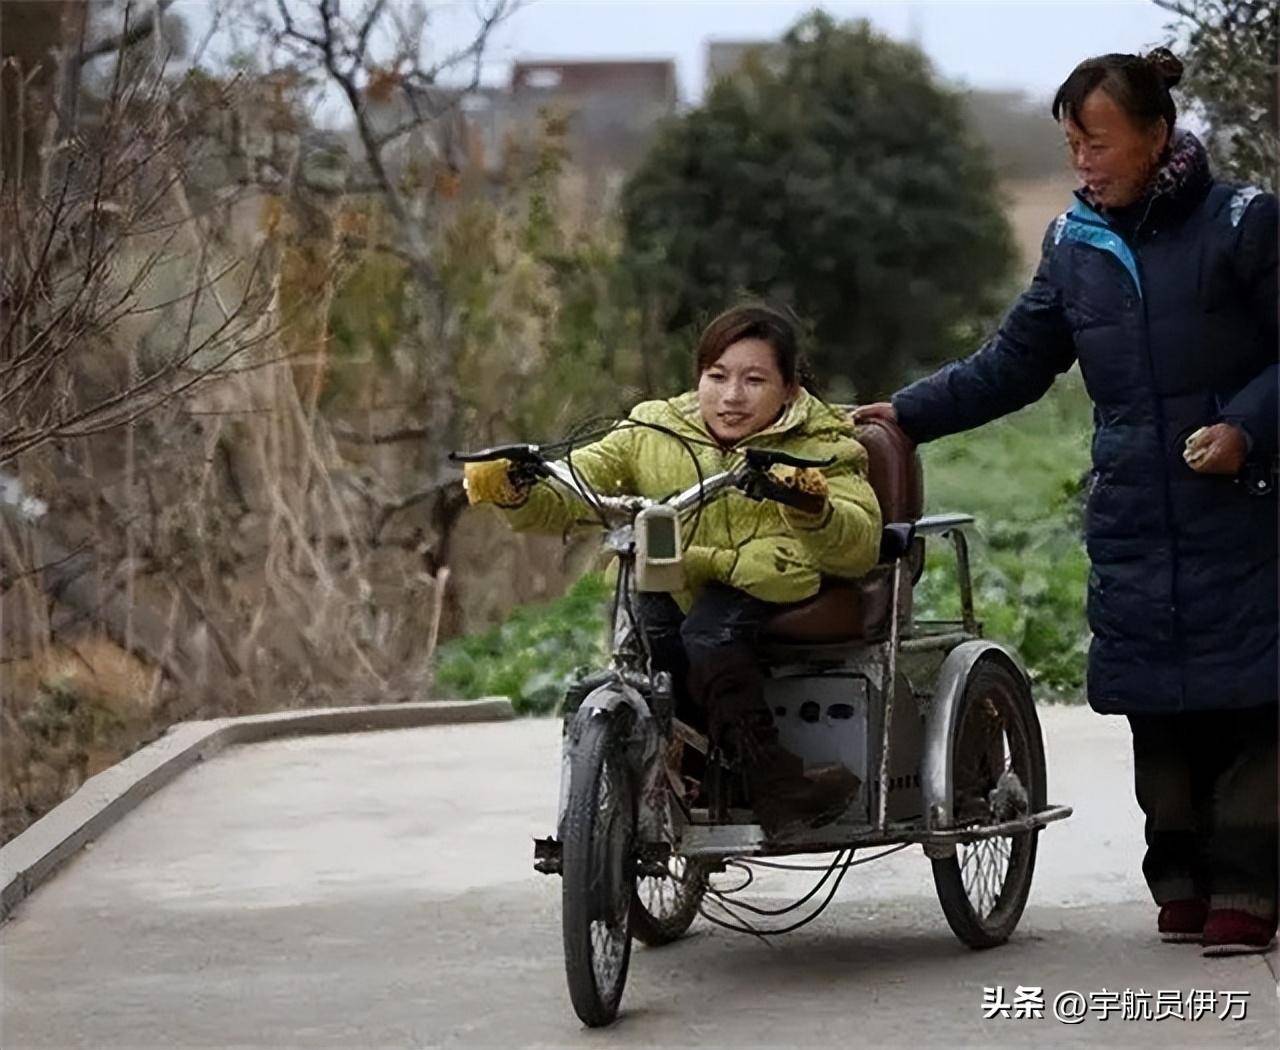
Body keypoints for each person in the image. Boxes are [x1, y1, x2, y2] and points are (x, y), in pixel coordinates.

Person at [855, 49, 1277, 955]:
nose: (1082, 161)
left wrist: (1247, 427)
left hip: (1243, 507)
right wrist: (909, 413)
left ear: (1158, 134)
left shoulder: (1243, 224)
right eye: (1071, 145)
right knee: (1156, 706)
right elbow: (1015, 362)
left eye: (1099, 141)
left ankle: (1249, 887)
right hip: (1133, 514)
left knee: (1254, 702)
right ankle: (1182, 877)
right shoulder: (1077, 247)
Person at [463, 303, 882, 833]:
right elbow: (582, 480)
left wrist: (811, 505)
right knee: (650, 639)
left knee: (708, 634)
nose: (731, 396)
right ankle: (686, 765)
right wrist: (518, 487)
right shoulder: (654, 428)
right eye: (717, 377)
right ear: (698, 378)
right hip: (679, 573)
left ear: (790, 390)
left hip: (773, 576)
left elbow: (858, 543)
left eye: (754, 380)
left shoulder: (823, 446)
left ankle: (775, 782)